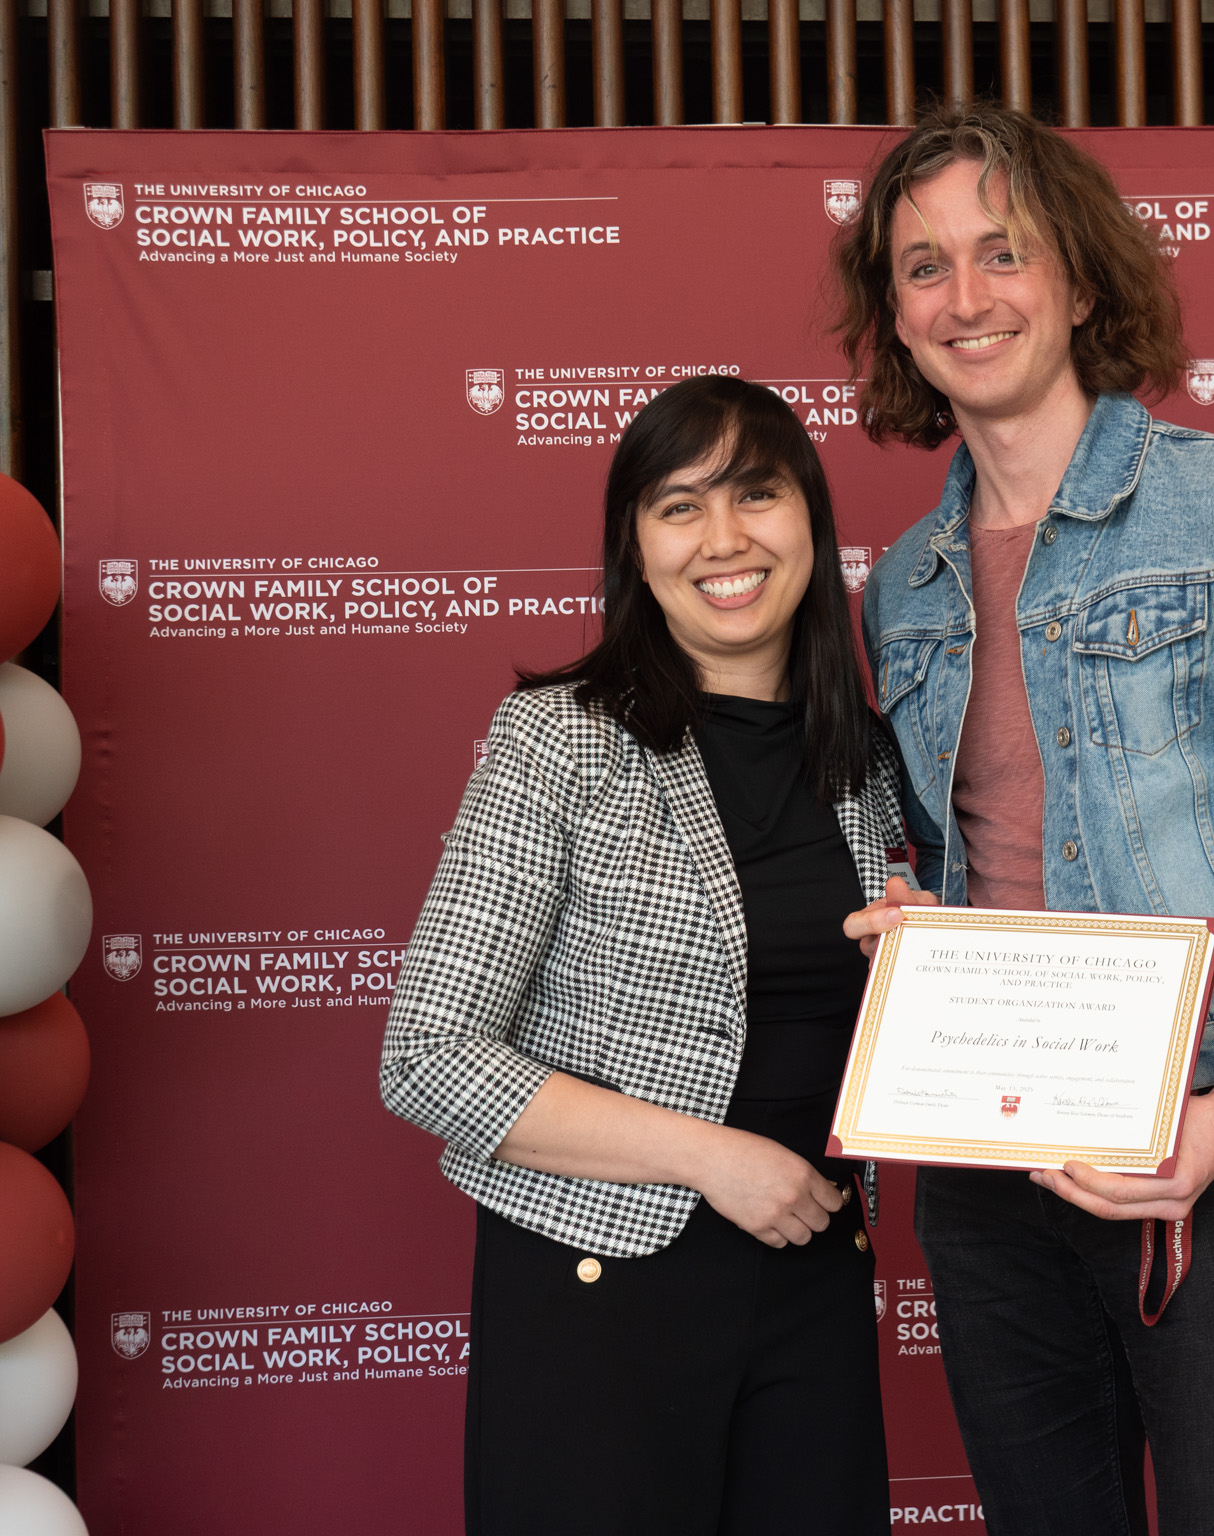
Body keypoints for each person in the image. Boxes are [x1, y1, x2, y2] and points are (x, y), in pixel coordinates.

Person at [834, 103, 1214, 1535]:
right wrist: (913, 920)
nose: (965, 298)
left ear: (1083, 280)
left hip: (1205, 1153)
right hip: (986, 1179)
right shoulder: (900, 586)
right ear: (895, 315)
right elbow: (942, 852)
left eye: (1002, 253)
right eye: (924, 267)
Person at [380, 376, 897, 1536]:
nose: (724, 539)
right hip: (598, 1283)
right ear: (634, 544)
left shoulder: (866, 756)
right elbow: (426, 1056)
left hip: (813, 1269)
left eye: (755, 494)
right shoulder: (560, 740)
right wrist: (712, 1159)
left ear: (808, 521)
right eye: (679, 505)